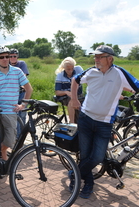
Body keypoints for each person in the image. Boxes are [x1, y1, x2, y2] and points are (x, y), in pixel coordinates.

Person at [70, 45, 139, 199]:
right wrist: (74, 99)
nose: (96, 59)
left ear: (110, 59)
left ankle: (74, 173)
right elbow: (75, 80)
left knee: (97, 157)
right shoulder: (91, 72)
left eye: (100, 57)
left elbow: (136, 86)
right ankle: (88, 184)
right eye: (95, 56)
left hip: (104, 123)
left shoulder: (119, 73)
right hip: (86, 119)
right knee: (85, 154)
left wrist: (127, 92)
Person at [0, 47, 33, 161]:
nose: (5, 59)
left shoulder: (17, 71)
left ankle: (1, 151)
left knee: (11, 140)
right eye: (1, 57)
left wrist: (23, 105)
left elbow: (29, 89)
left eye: (7, 56)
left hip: (10, 111)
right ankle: (0, 159)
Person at [55, 57, 83, 123]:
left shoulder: (78, 69)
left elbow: (88, 79)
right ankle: (72, 122)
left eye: (72, 68)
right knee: (72, 99)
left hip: (79, 95)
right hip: (66, 97)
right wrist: (66, 92)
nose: (70, 71)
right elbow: (57, 92)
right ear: (64, 68)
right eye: (68, 69)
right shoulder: (60, 75)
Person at [9, 48, 30, 138]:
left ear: (17, 56)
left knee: (22, 115)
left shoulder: (21, 64)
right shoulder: (6, 64)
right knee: (13, 115)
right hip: (11, 93)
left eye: (15, 56)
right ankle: (14, 136)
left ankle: (20, 137)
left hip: (21, 92)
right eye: (11, 56)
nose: (13, 58)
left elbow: (23, 78)